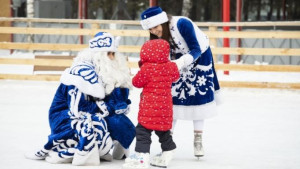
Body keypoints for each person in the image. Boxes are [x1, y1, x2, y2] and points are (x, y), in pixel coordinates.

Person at [25, 32, 135, 165]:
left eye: (114, 54)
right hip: (65, 118)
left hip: (88, 112)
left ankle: (104, 149)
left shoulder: (103, 72)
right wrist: (109, 108)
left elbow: (116, 104)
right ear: (98, 55)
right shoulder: (82, 73)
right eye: (109, 54)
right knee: (101, 123)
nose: (112, 58)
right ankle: (83, 152)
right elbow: (77, 108)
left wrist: (121, 85)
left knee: (118, 121)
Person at [139, 6, 221, 159]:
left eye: (155, 27)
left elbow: (195, 49)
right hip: (177, 59)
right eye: (150, 29)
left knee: (198, 98)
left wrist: (179, 63)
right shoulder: (157, 35)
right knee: (171, 96)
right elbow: (156, 55)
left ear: (162, 22)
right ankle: (168, 142)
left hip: (200, 56)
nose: (154, 31)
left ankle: (198, 139)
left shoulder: (182, 24)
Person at [122, 39, 180, 169]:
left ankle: (141, 156)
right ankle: (168, 150)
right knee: (163, 131)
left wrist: (141, 67)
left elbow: (136, 82)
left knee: (143, 131)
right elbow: (176, 76)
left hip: (150, 108)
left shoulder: (147, 68)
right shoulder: (171, 66)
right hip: (165, 108)